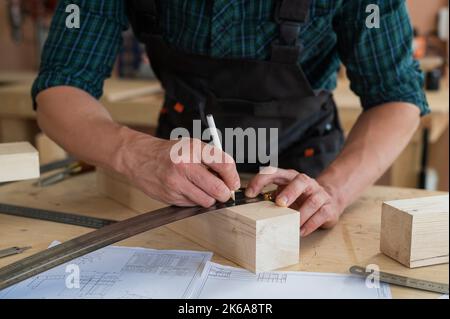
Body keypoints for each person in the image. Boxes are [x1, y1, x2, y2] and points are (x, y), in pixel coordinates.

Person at [33, 0, 428, 236]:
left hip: (309, 173)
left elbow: (396, 96)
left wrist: (334, 193)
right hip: (171, 174)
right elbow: (61, 87)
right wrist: (134, 154)